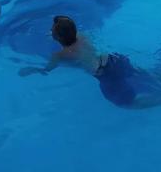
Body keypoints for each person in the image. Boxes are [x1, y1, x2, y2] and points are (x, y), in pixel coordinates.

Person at [19, 14, 152, 108]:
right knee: (140, 72)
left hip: (106, 76)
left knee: (126, 104)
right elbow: (72, 36)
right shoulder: (82, 35)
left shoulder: (60, 55)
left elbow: (47, 70)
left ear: (56, 37)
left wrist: (32, 70)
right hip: (114, 60)